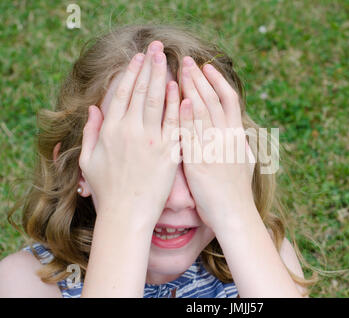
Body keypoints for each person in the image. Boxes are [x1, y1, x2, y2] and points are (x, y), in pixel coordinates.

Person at [0, 24, 314, 298]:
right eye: (139, 162)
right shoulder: (27, 282)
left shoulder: (258, 257)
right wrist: (126, 214)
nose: (177, 199)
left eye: (201, 157)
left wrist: (235, 214)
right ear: (76, 169)